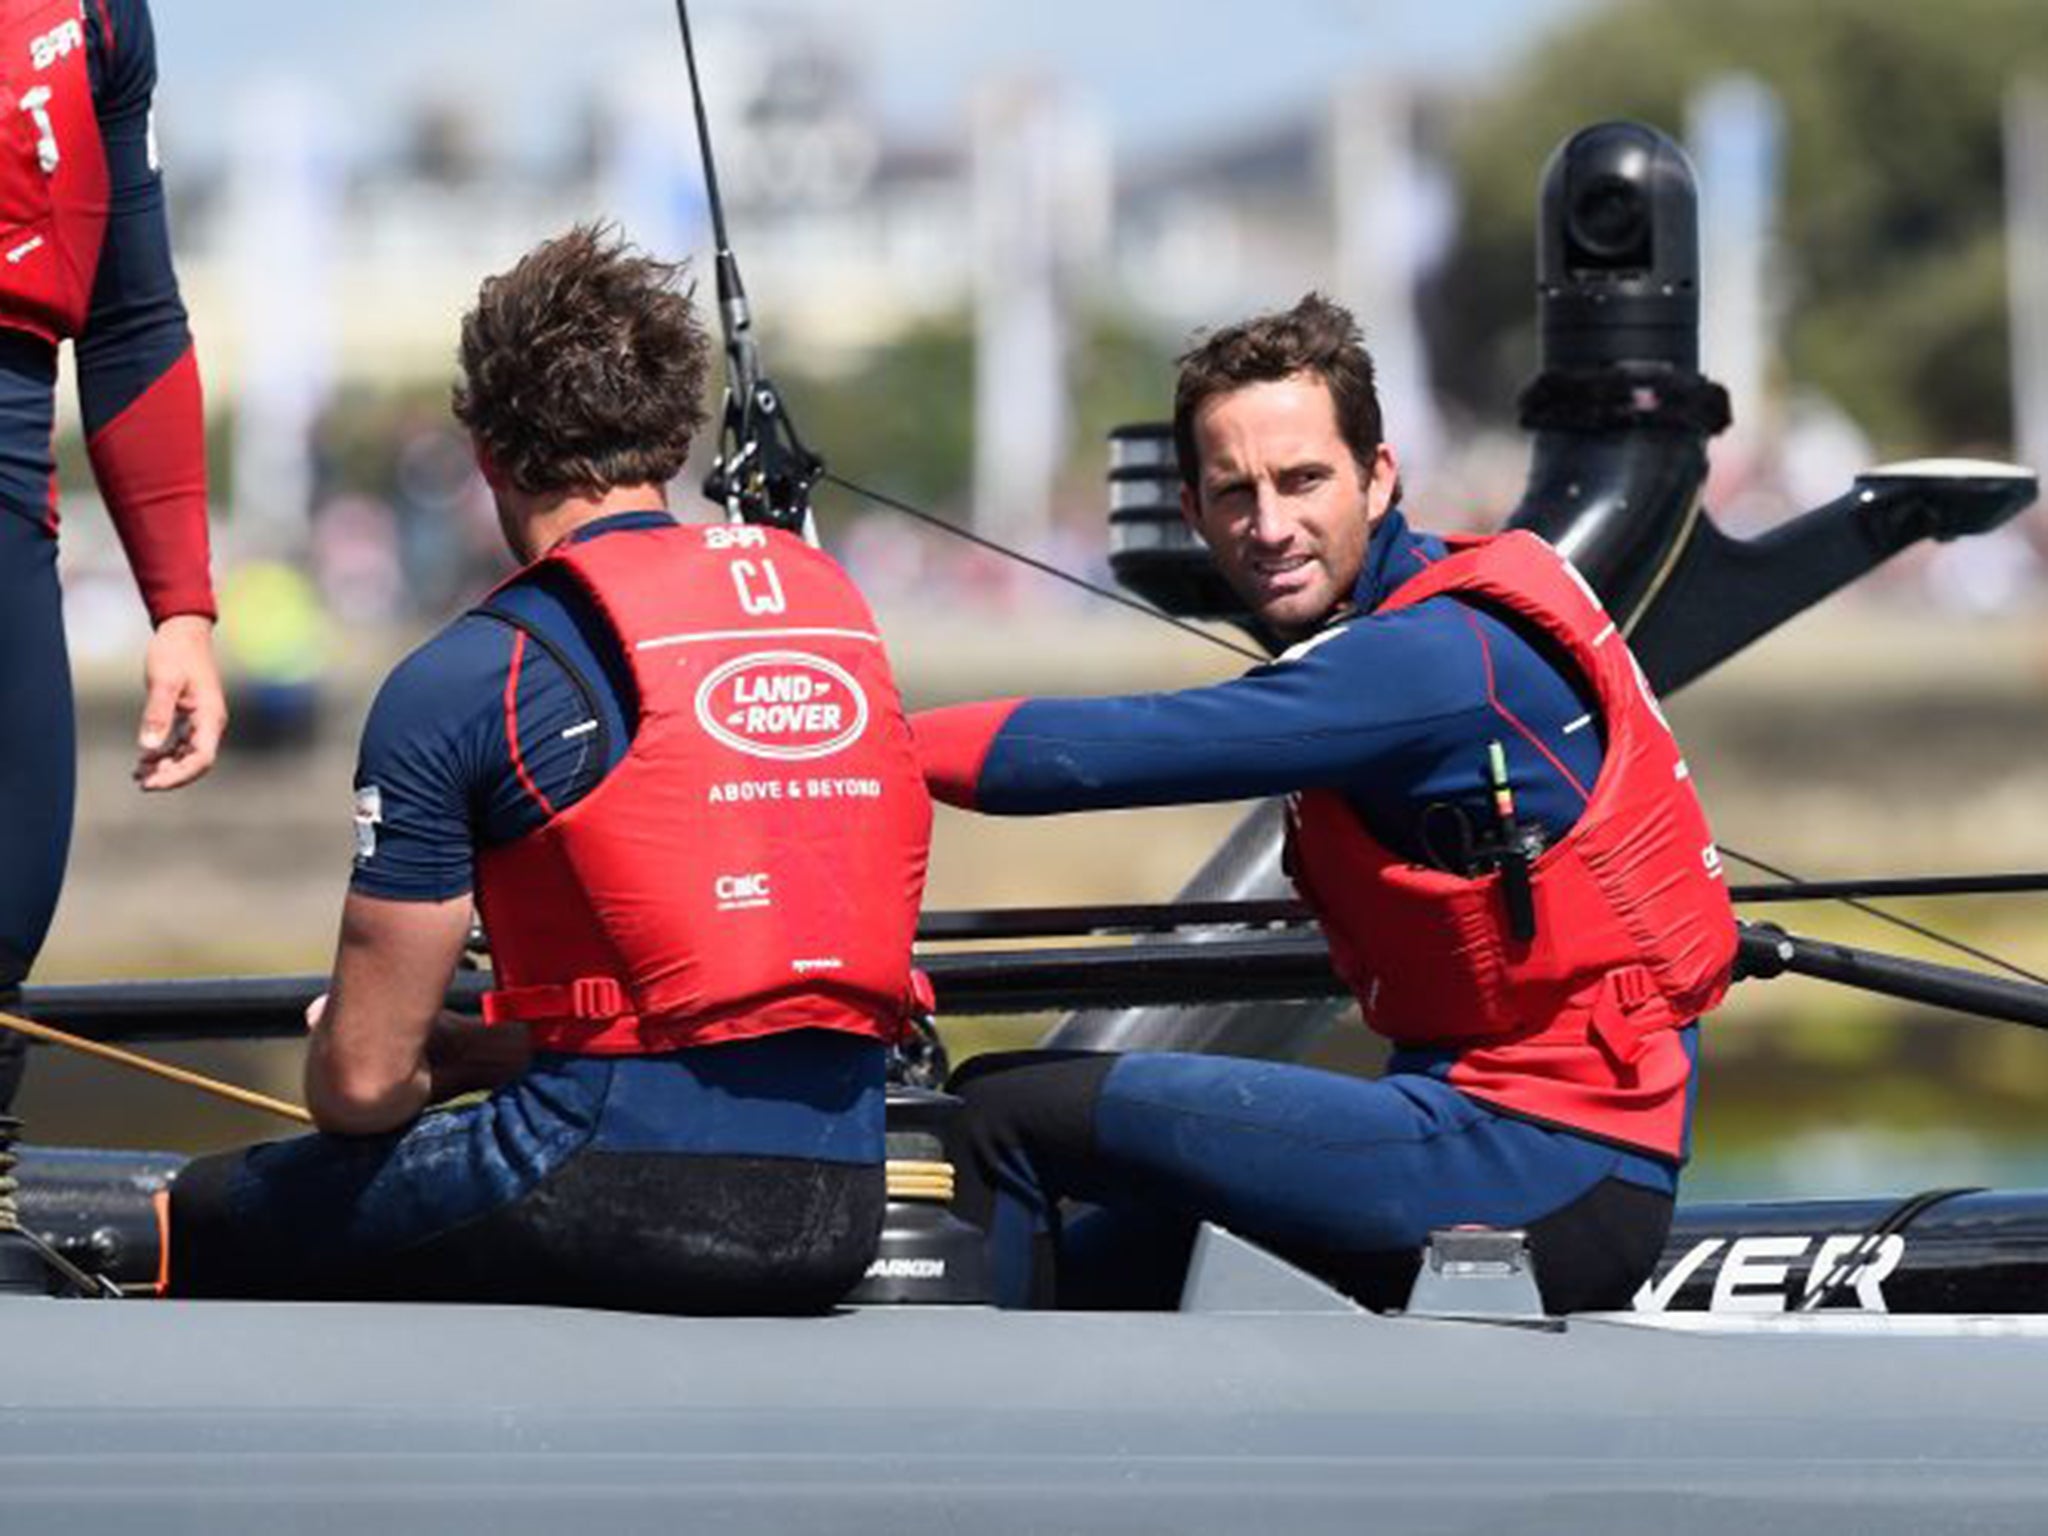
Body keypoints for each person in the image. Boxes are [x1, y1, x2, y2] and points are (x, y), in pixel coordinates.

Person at [913, 294, 1736, 1313]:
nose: (1269, 526)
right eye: (1234, 492)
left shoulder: (1428, 658)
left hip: (1536, 1169)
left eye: (1302, 480)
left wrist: (862, 745)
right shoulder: (1422, 608)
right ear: (1192, 509)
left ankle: (968, 1458)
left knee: (999, 1110)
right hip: (1502, 1141)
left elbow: (1126, 749)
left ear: (1377, 476)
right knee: (1102, 1256)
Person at [168, 226, 933, 1311]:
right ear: (671, 435)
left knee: (203, 1210)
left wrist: (403, 1045)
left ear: (484, 448)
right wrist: (492, 1052)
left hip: (607, 1195)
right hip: (836, 1203)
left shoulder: (466, 676)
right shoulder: (823, 623)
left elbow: (361, 1089)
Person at [0, 0, 224, 1113]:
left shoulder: (98, 16)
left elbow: (133, 317)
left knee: (4, 917)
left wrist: (181, 608)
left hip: (7, 477)